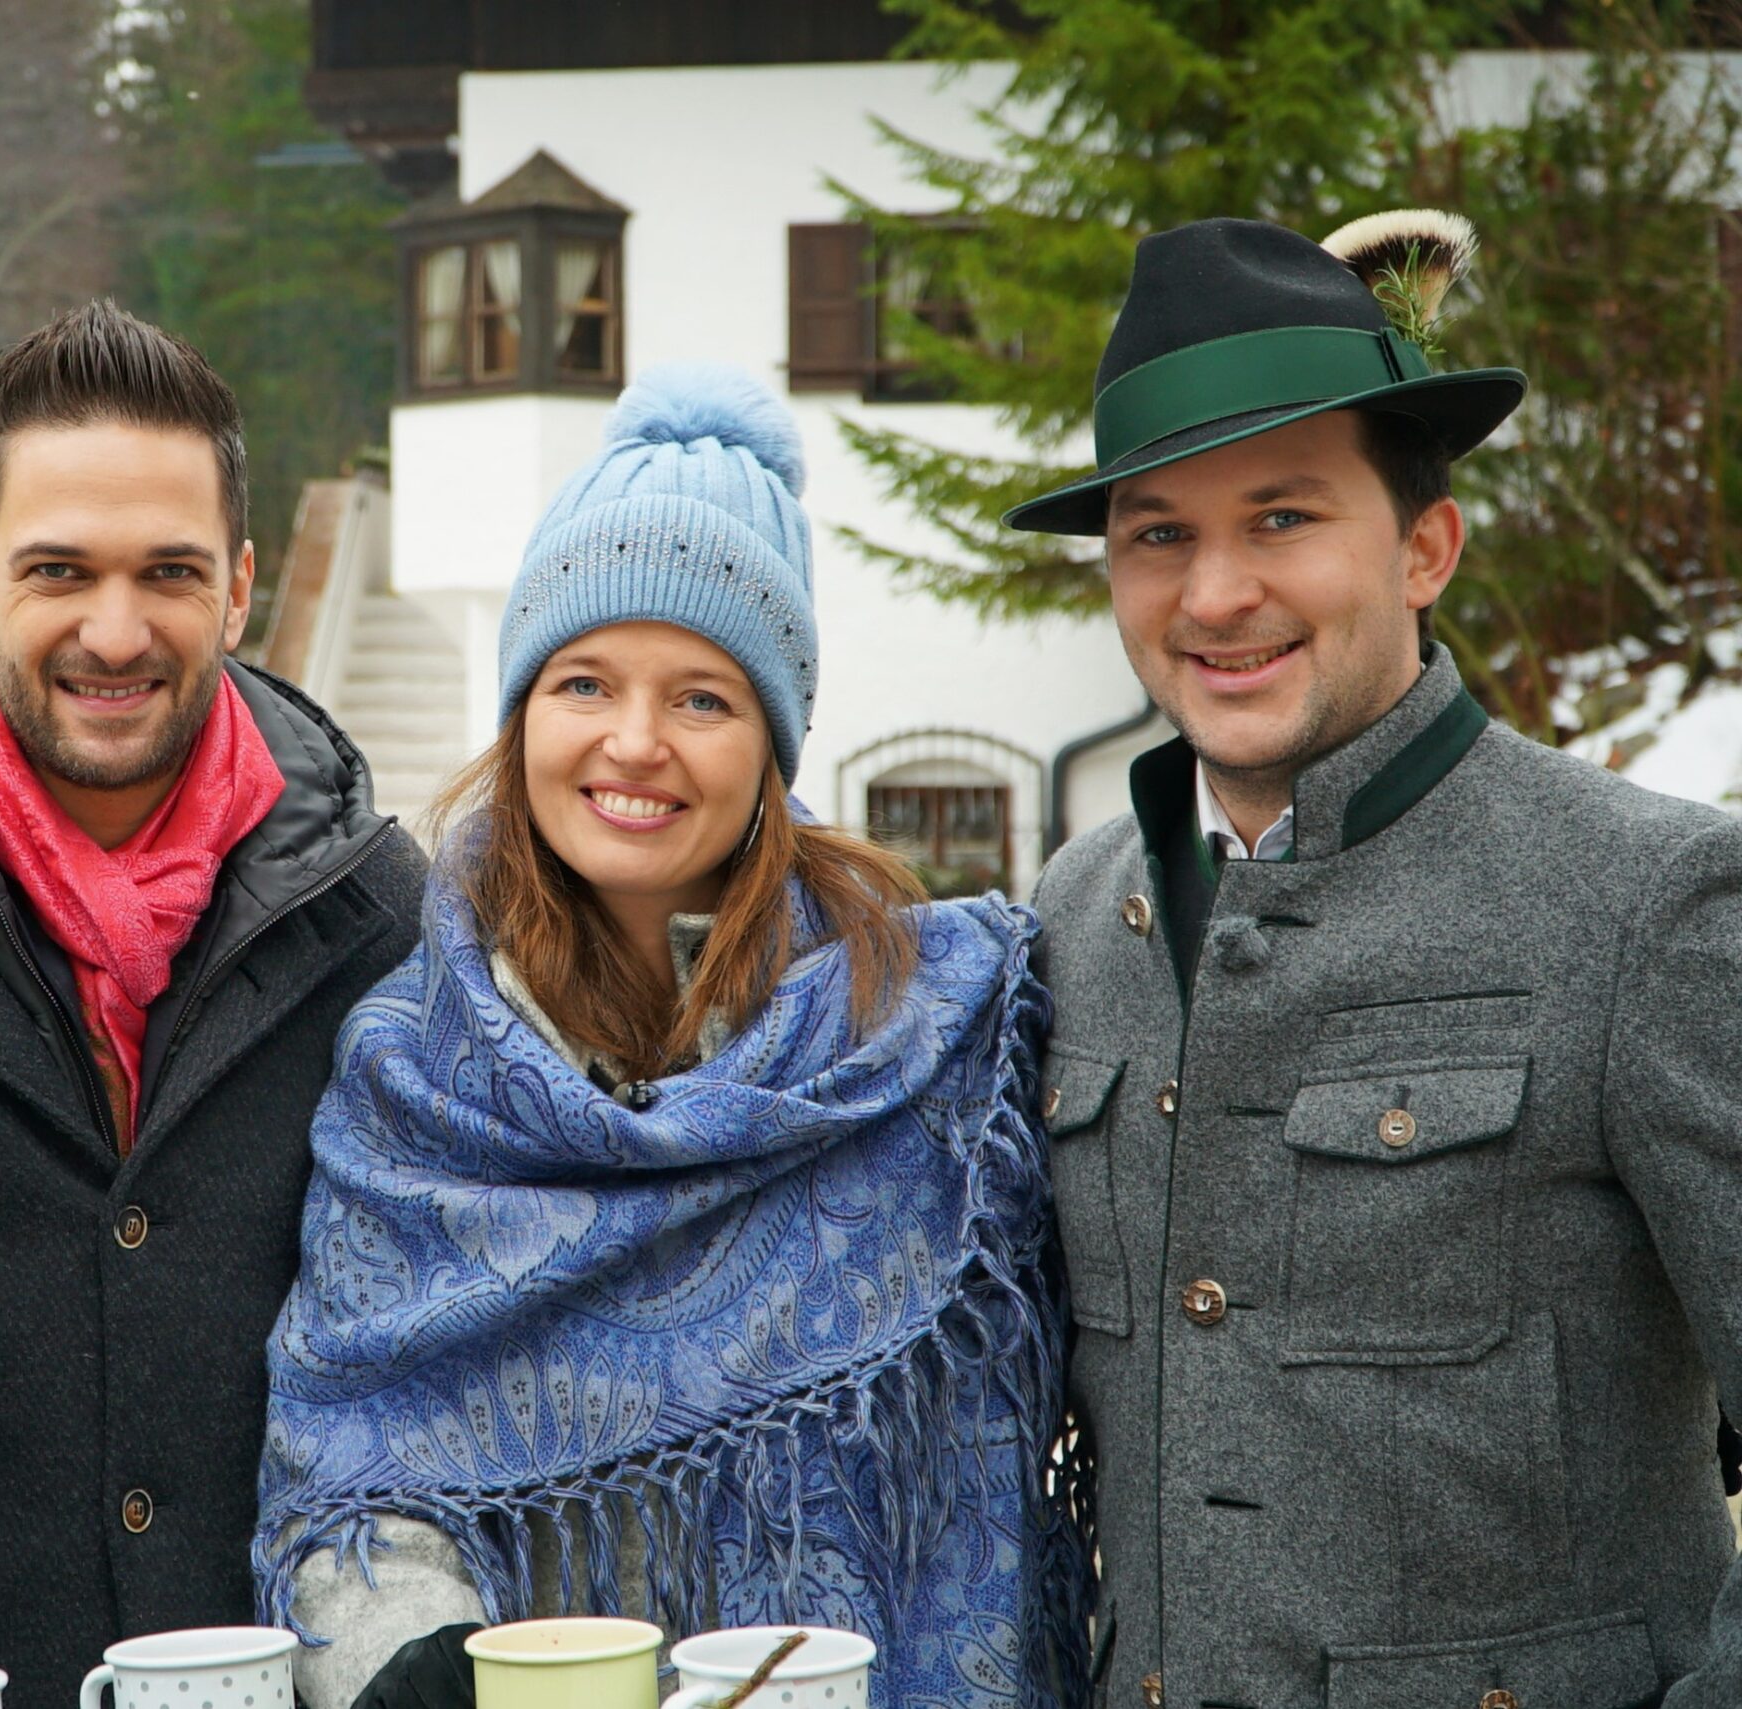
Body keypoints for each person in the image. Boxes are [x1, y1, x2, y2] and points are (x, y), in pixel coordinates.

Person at [254, 366, 1088, 1709]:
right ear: (523, 710)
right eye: (584, 681)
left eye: (702, 698)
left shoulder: (930, 1031)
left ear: (772, 741)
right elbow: (350, 1477)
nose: (635, 742)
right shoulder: (409, 1072)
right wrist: (425, 1668)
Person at [1015, 211, 1742, 1709]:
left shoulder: (1647, 903)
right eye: (1158, 533)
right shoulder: (1071, 920)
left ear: (1425, 549)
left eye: (1282, 516)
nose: (1214, 594)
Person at [0, 300, 429, 1701]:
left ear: (239, 586)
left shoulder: (381, 916)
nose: (114, 629)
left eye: (168, 571)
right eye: (59, 570)